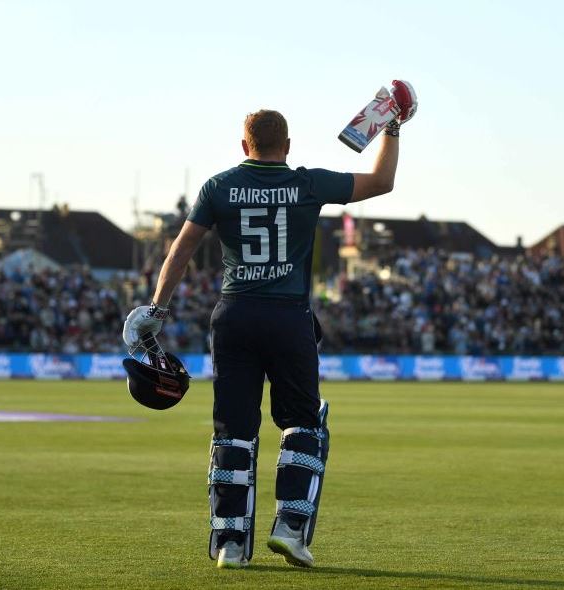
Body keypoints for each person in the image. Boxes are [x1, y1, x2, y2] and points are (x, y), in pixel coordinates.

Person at [122, 81, 416, 569]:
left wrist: (156, 308)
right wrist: (392, 127)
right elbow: (380, 181)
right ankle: (290, 528)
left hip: (234, 316)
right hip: (288, 317)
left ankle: (230, 545)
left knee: (233, 431)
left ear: (244, 146)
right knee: (302, 422)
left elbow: (182, 248)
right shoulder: (307, 183)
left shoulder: (218, 186)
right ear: (288, 146)